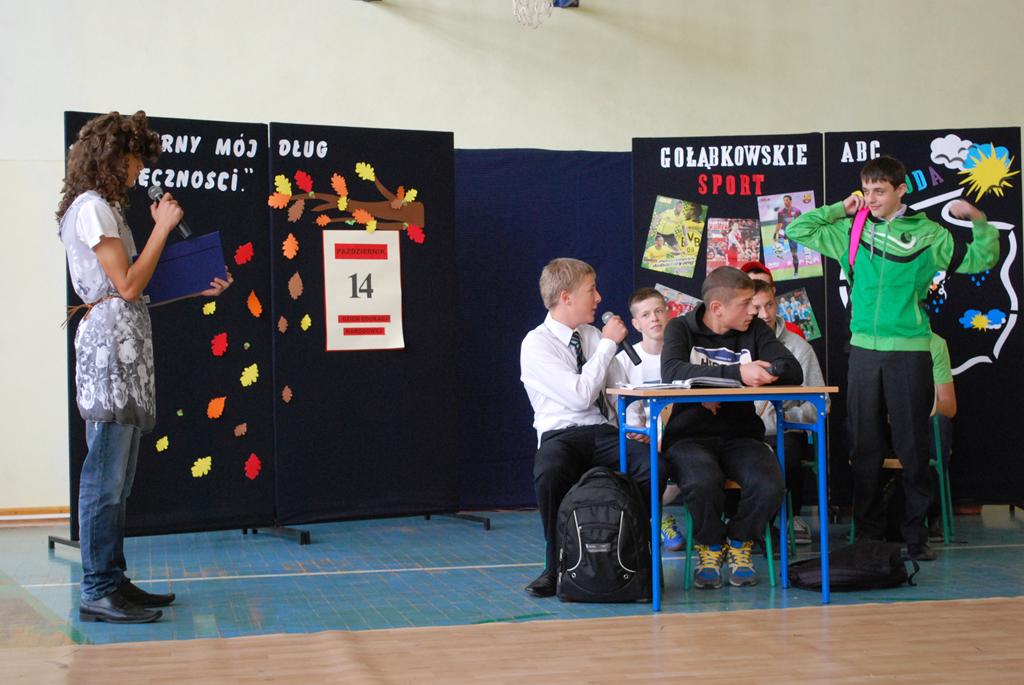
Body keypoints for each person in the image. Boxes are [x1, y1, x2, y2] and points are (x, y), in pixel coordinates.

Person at [57, 111, 232, 623]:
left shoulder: (106, 208)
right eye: (134, 160)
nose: (138, 171)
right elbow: (128, 286)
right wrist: (162, 227)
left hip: (126, 352)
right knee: (104, 477)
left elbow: (132, 290)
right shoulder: (92, 209)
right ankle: (98, 588)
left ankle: (113, 581)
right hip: (109, 356)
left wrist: (196, 286)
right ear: (113, 158)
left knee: (120, 479)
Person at [786, 154, 998, 561]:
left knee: (912, 446)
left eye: (879, 191)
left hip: (910, 350)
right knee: (864, 446)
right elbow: (798, 228)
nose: (871, 198)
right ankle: (867, 536)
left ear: (901, 190)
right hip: (864, 350)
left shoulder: (928, 233)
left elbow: (980, 259)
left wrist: (978, 219)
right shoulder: (853, 229)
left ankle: (916, 537)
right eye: (866, 190)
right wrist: (840, 208)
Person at [519, 258, 656, 597]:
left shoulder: (593, 335)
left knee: (652, 464)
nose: (599, 298)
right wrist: (608, 345)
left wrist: (633, 426)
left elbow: (618, 391)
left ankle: (633, 552)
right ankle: (555, 565)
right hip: (561, 434)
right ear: (566, 297)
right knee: (550, 470)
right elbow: (580, 396)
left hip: (601, 430)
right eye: (591, 290)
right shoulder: (536, 344)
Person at [660, 267, 801, 589]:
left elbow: (791, 369)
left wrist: (766, 370)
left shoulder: (756, 330)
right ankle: (710, 546)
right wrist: (738, 374)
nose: (754, 311)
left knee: (769, 484)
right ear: (717, 308)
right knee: (702, 482)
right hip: (689, 437)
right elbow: (672, 371)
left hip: (741, 435)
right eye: (745, 303)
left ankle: (739, 541)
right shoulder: (681, 328)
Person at [749, 279, 829, 544]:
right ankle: (746, 524)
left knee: (789, 454)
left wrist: (787, 418)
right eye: (757, 308)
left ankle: (779, 521)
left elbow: (822, 402)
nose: (765, 314)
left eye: (770, 305)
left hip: (785, 432)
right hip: (744, 432)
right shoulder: (737, 345)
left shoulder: (799, 347)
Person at [614, 288, 685, 552]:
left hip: (680, 436)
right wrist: (646, 433)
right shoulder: (624, 360)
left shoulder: (685, 355)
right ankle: (657, 519)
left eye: (658, 311)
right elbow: (627, 413)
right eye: (646, 315)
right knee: (650, 466)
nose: (654, 318)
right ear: (636, 324)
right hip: (644, 438)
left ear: (668, 313)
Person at [740, 260, 805, 339]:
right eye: (753, 286)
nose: (759, 292)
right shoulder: (732, 337)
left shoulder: (794, 333)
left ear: (773, 291)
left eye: (764, 286)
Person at [774, 195, 802, 276]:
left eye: (787, 200)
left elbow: (801, 222)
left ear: (790, 201)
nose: (785, 202)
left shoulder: (797, 211)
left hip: (792, 233)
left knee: (794, 255)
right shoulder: (781, 212)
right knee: (781, 234)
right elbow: (779, 224)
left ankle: (796, 272)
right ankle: (780, 250)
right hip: (783, 231)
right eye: (784, 200)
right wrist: (775, 233)